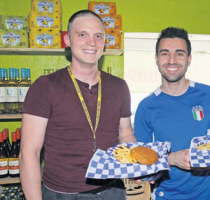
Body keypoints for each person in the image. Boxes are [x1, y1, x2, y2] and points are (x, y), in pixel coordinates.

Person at [19, 10, 136, 200]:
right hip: (63, 194)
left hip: (114, 191)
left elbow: (126, 133)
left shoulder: (119, 86)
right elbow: (29, 153)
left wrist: (137, 162)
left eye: (98, 36)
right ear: (67, 40)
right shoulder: (45, 86)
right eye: (83, 35)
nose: (92, 42)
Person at [134, 27, 210, 200]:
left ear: (189, 59)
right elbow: (141, 161)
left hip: (209, 196)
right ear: (157, 59)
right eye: (165, 53)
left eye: (179, 54)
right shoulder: (146, 107)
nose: (172, 60)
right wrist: (171, 159)